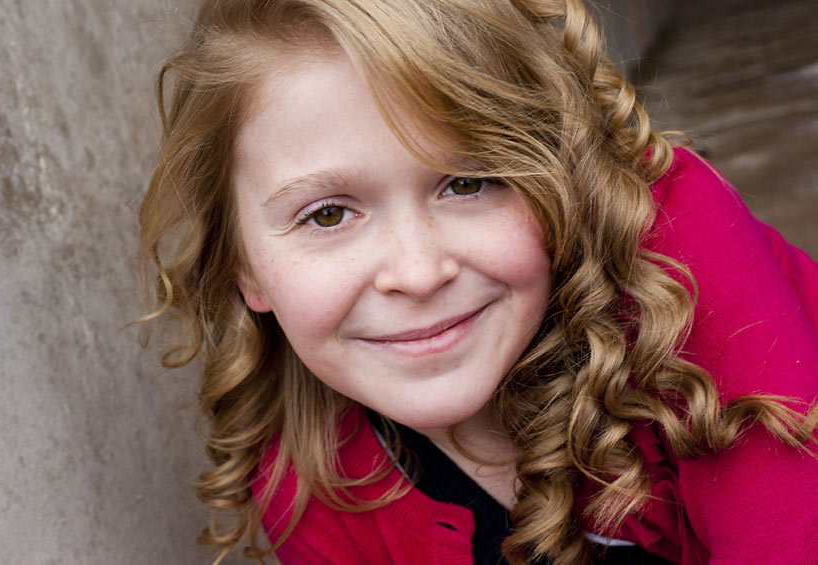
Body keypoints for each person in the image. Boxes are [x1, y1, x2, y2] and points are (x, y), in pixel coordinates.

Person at [136, 0, 818, 563]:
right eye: (328, 214)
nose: (418, 272)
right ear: (245, 268)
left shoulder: (669, 239)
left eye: (467, 182)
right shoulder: (307, 483)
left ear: (558, 169)